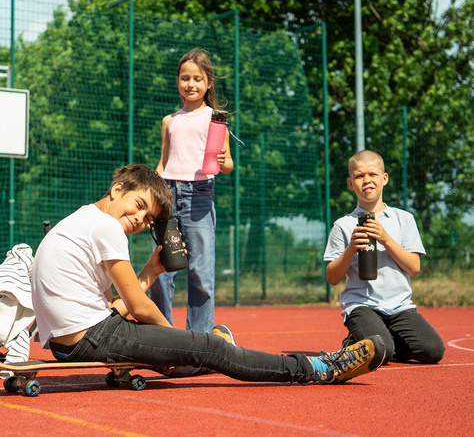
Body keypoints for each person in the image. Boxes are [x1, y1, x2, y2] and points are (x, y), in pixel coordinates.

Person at [31, 164, 386, 385]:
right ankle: (318, 367)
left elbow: (113, 306)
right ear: (117, 189)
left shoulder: (81, 219)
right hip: (94, 337)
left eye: (149, 218)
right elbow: (137, 308)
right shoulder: (106, 227)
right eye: (140, 206)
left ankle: (216, 349)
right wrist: (177, 341)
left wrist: (151, 271)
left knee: (193, 353)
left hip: (70, 342)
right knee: (206, 346)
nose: (141, 220)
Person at [324, 150, 445, 364]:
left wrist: (386, 239)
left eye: (372, 174)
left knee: (433, 351)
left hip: (399, 306)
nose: (367, 180)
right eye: (359, 176)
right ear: (350, 183)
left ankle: (379, 339)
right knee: (383, 353)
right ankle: (360, 339)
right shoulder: (343, 225)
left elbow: (414, 267)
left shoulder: (404, 219)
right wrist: (351, 248)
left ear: (384, 178)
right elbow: (332, 278)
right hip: (361, 305)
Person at [151, 48, 233, 333]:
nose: (191, 84)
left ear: (208, 82)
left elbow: (227, 163)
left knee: (200, 273)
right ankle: (163, 335)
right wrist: (153, 196)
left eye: (198, 78)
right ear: (177, 82)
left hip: (199, 197)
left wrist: (224, 162)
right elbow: (163, 163)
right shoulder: (169, 121)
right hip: (167, 198)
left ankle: (200, 343)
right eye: (185, 78)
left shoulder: (216, 118)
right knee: (161, 271)